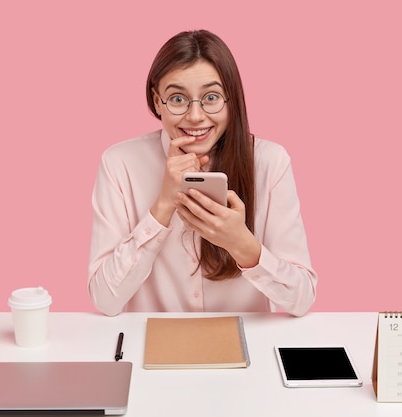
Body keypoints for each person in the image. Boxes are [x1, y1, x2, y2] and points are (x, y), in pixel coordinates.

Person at [88, 30, 317, 317]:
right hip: (153, 346)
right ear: (158, 102)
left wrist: (241, 243)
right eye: (178, 99)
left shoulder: (270, 161)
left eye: (211, 97)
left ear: (230, 100)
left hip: (245, 347)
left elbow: (302, 299)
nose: (195, 116)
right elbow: (104, 299)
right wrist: (161, 207)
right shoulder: (120, 163)